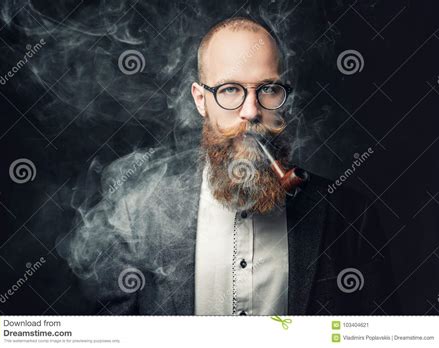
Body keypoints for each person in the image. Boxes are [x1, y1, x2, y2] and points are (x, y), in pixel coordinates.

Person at [68, 16, 399, 315]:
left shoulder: (348, 216)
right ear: (201, 100)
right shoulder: (135, 218)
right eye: (229, 90)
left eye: (268, 89)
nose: (251, 111)